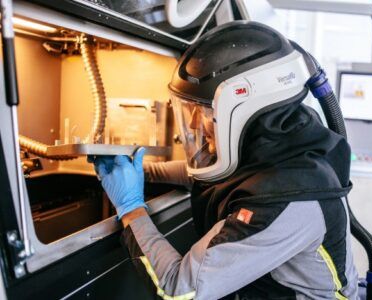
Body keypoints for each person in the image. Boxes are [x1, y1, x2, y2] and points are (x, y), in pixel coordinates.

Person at [93, 21, 358, 300]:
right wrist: (144, 172)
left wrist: (131, 207)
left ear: (244, 108)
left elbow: (177, 290)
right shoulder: (281, 141)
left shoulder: (287, 202)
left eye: (205, 110)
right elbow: (228, 176)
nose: (195, 122)